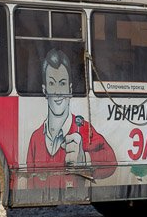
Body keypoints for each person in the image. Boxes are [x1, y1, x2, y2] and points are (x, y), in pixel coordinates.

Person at [25, 50, 116, 188]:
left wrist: (85, 160)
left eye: (62, 84)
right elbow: (29, 186)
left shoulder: (82, 128)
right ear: (44, 91)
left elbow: (111, 161)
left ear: (70, 89)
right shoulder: (35, 139)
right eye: (51, 84)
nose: (57, 92)